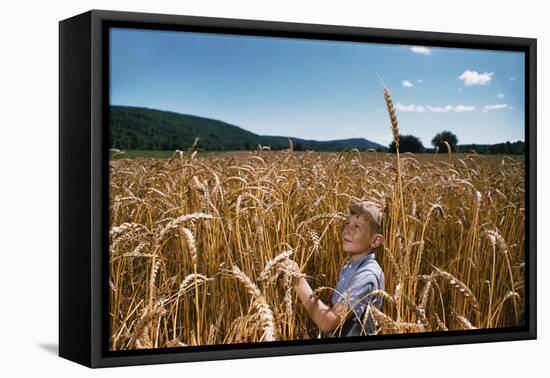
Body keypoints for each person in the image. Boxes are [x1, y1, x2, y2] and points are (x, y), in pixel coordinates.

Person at [276, 200, 385, 337]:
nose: (347, 230)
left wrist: (299, 282)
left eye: (357, 226)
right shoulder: (350, 266)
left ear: (375, 240)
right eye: (347, 223)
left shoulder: (367, 276)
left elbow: (329, 323)